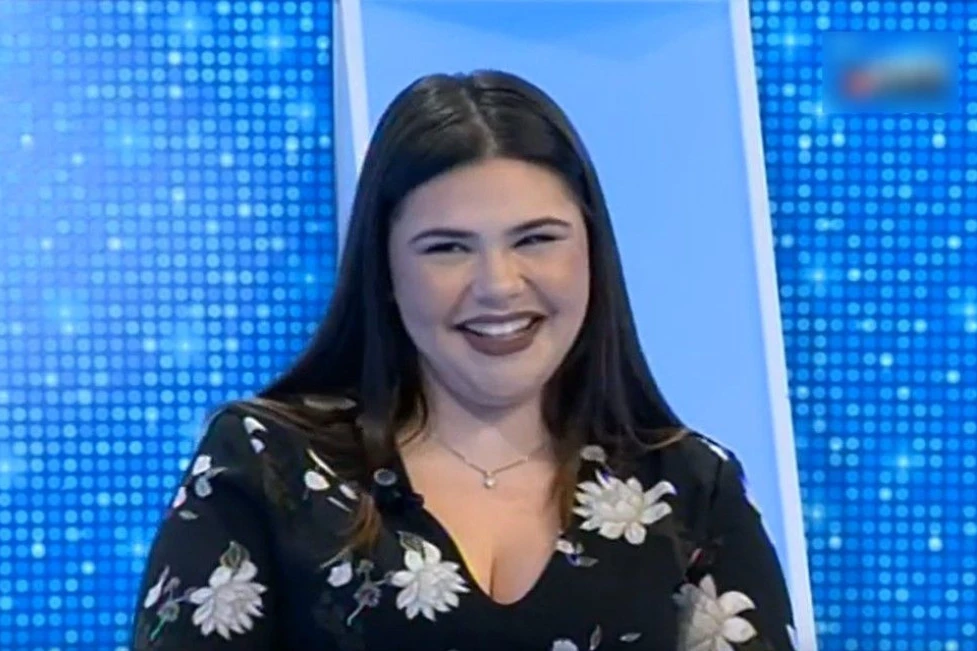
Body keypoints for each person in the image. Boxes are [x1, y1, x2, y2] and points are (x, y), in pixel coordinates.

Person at [130, 69, 798, 651]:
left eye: (536, 239)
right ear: (385, 271)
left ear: (592, 253)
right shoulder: (268, 463)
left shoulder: (691, 487)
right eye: (447, 248)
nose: (498, 285)